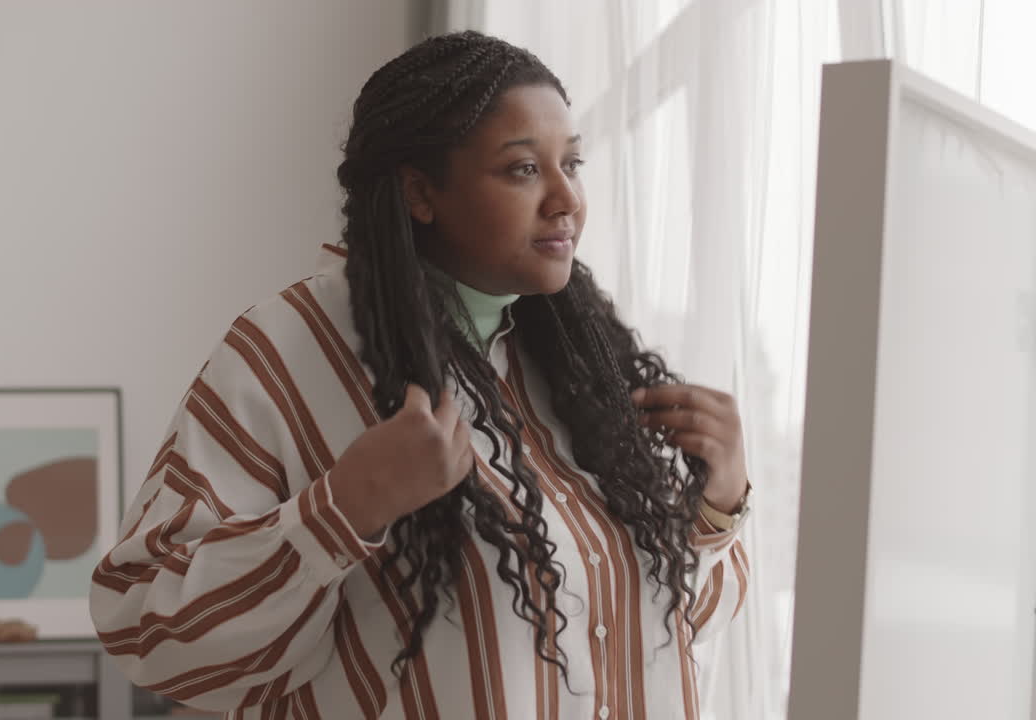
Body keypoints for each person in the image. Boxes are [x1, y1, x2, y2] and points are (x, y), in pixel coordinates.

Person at [90, 30, 752, 720]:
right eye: (524, 170)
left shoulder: (580, 367)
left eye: (573, 164)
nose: (567, 199)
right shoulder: (289, 349)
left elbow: (666, 632)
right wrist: (346, 507)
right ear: (420, 192)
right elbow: (150, 634)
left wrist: (718, 507)